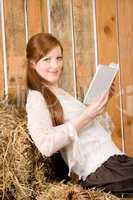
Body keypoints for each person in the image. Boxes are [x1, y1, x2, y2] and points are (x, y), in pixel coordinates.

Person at [26, 32, 133, 197]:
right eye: (46, 59)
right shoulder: (36, 98)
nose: (55, 66)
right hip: (100, 171)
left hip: (113, 162)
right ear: (33, 63)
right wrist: (87, 116)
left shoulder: (60, 93)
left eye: (58, 58)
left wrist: (103, 101)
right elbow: (45, 145)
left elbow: (92, 133)